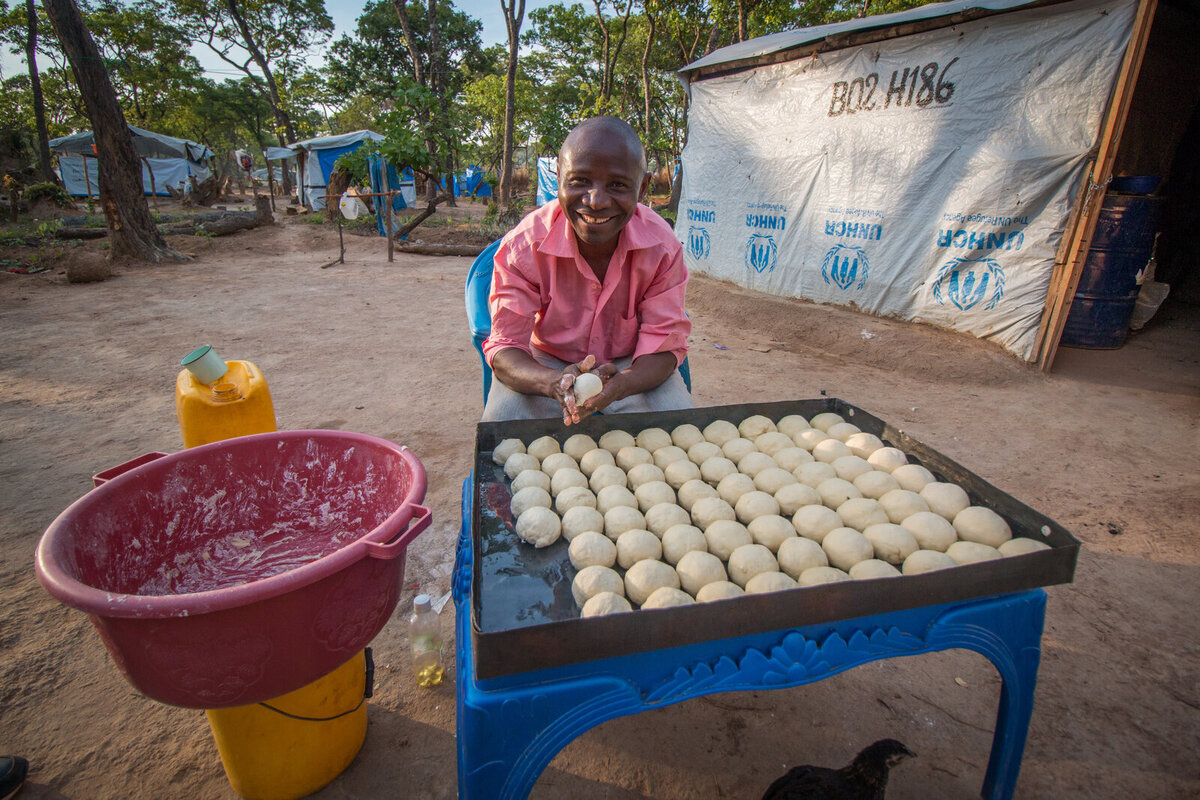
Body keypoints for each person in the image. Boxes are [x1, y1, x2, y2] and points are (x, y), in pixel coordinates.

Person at [482, 116, 693, 424]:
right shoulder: (523, 247)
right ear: (558, 178)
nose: (595, 201)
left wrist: (624, 384)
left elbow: (664, 343)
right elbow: (506, 349)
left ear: (643, 186)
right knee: (503, 426)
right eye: (579, 181)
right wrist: (551, 382)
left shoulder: (662, 248)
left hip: (633, 362)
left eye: (618, 185)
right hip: (544, 361)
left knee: (681, 426)